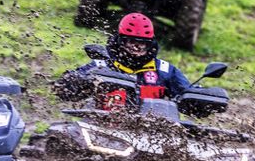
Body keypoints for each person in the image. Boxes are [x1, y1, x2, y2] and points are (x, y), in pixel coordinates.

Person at [54, 12, 192, 106]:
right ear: (121, 41)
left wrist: (202, 100)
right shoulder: (102, 65)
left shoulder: (165, 71)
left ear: (150, 44)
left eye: (142, 43)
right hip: (102, 127)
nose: (137, 47)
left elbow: (188, 95)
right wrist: (83, 81)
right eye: (132, 41)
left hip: (152, 133)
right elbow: (62, 90)